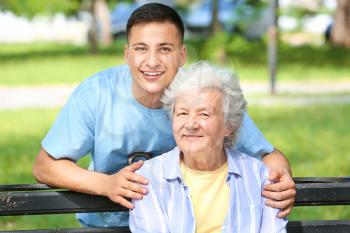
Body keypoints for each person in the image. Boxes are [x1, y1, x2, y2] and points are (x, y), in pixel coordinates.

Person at [32, 3, 295, 228]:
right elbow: (45, 166)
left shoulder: (203, 92)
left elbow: (269, 156)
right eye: (141, 49)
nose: (152, 61)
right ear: (127, 53)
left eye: (165, 49)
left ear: (182, 56)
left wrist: (281, 182)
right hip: (109, 224)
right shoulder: (96, 93)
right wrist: (107, 184)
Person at [129, 61, 287, 233]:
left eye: (204, 114)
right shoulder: (147, 179)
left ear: (229, 125)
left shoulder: (260, 178)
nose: (190, 124)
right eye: (182, 113)